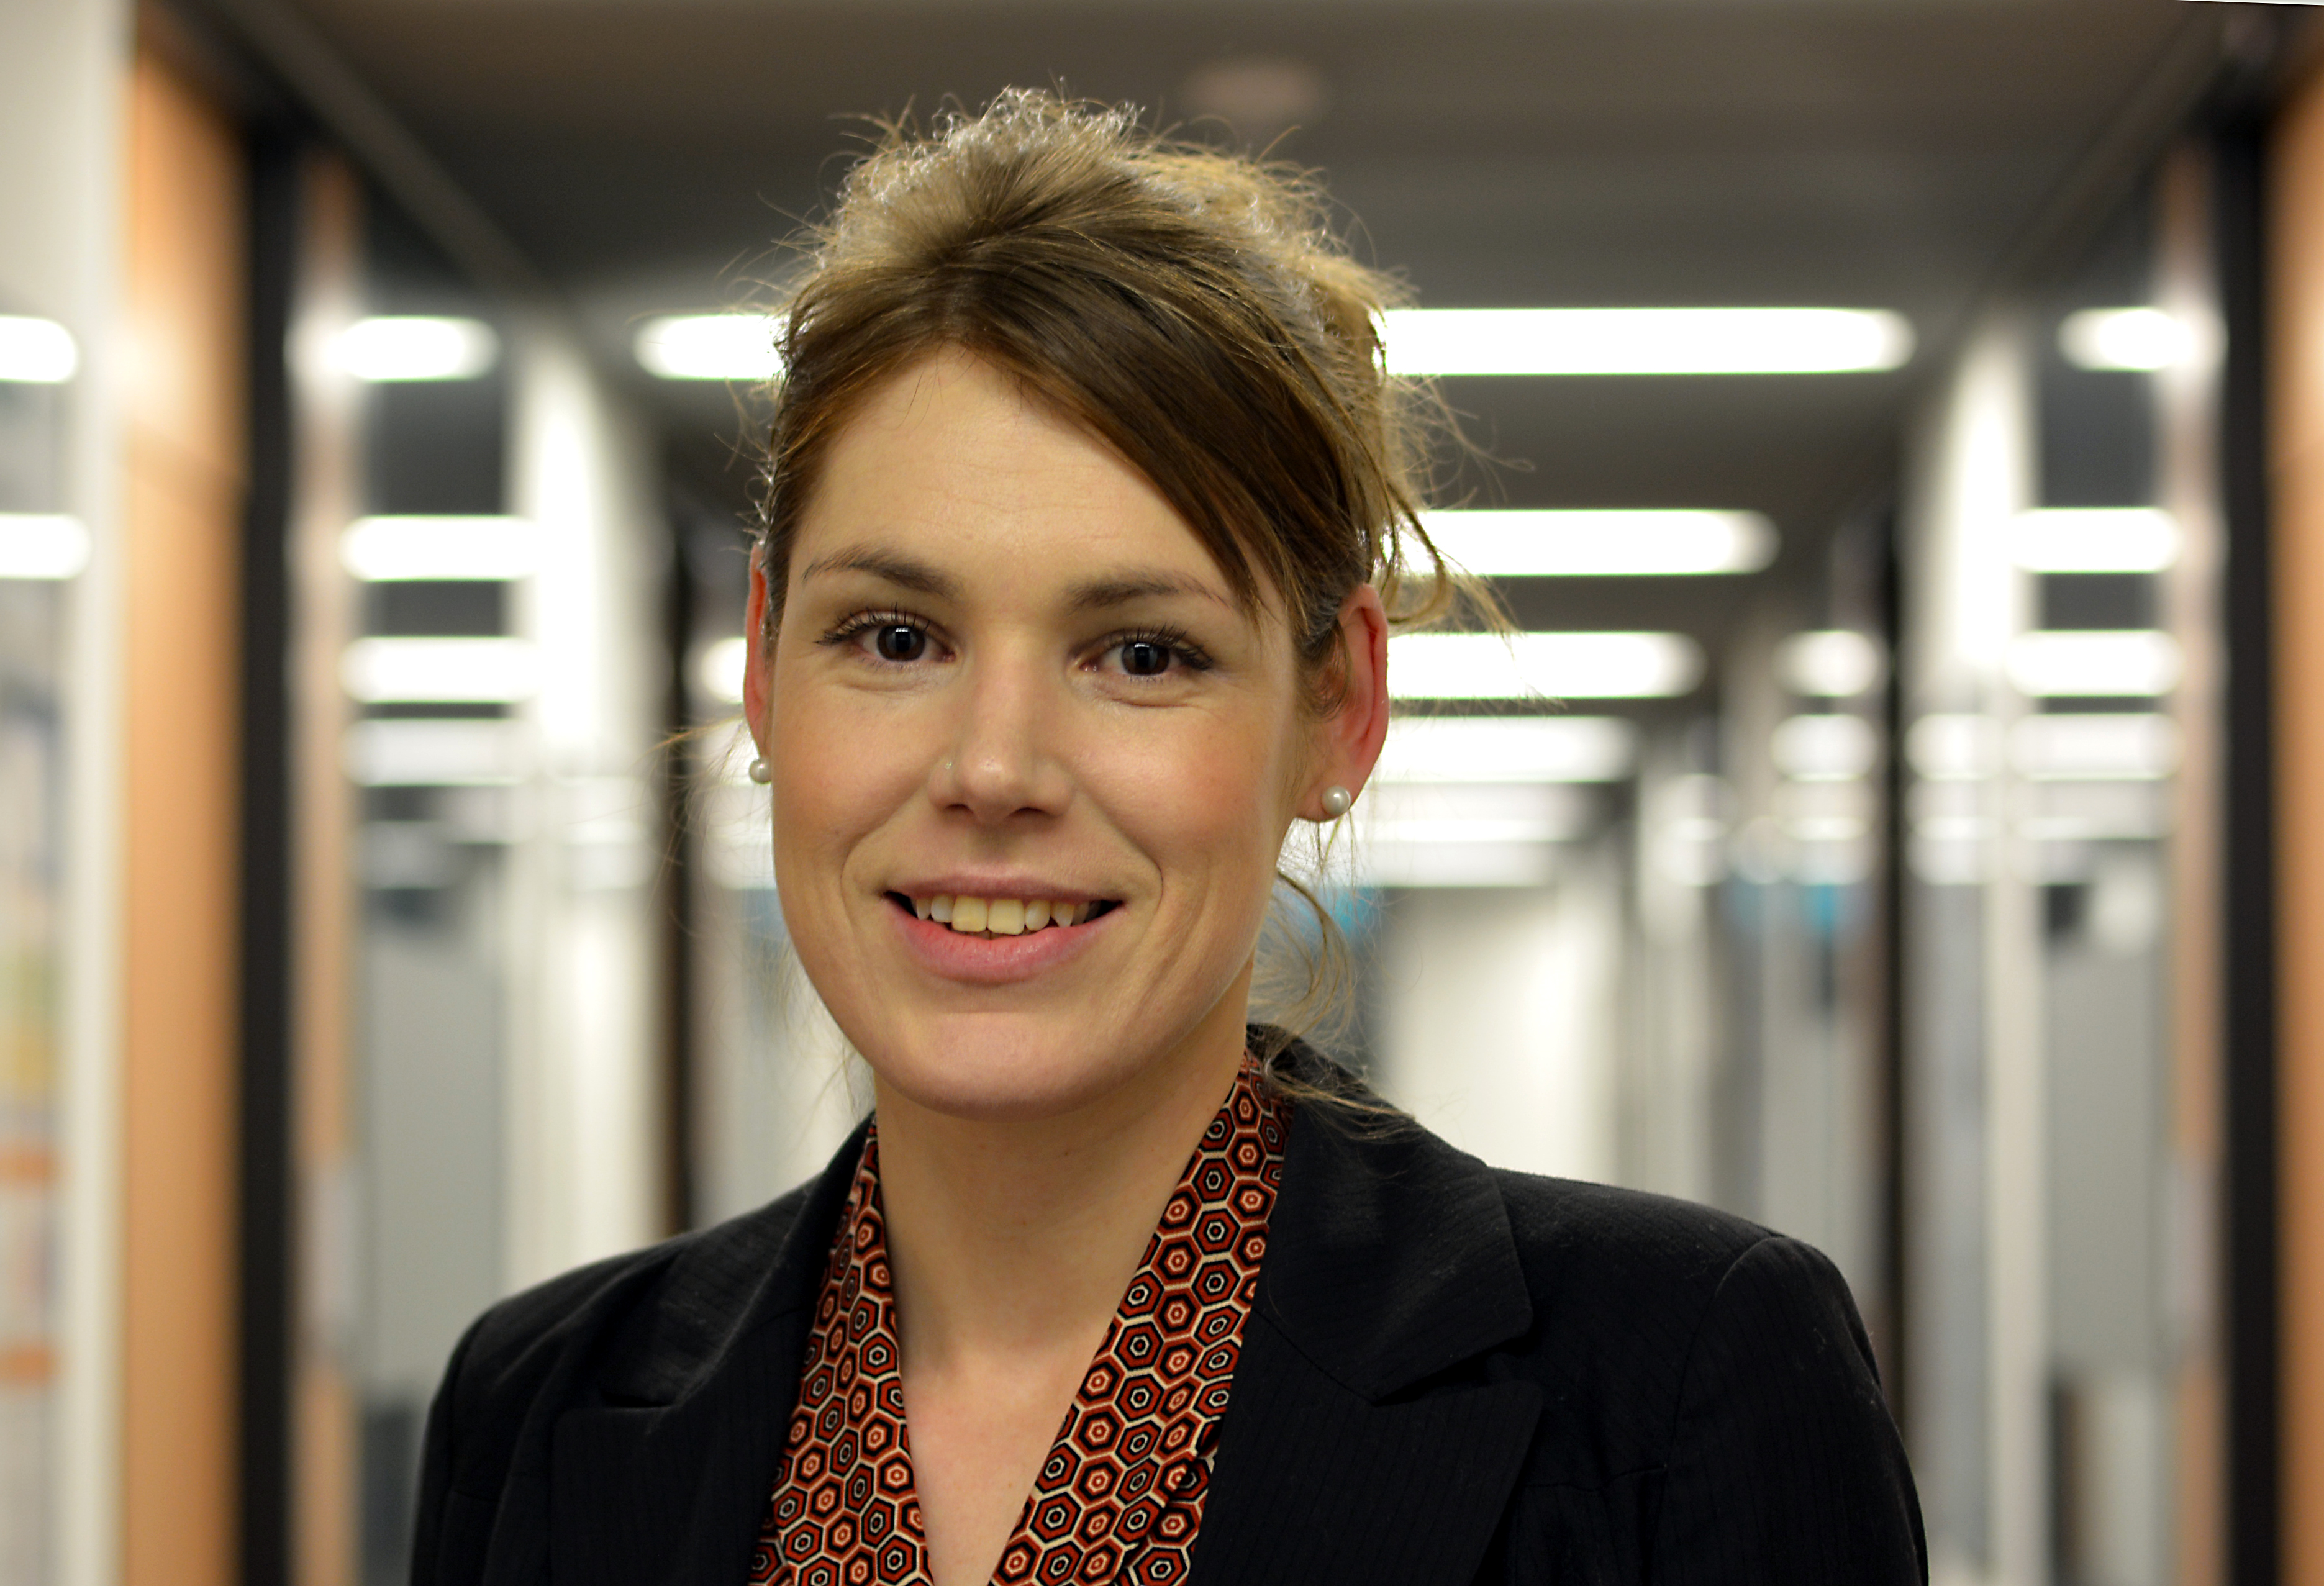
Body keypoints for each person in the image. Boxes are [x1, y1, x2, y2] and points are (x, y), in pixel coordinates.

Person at [409, 91, 1925, 1585]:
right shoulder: (536, 1405)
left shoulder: (1679, 1382)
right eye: (893, 636)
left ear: (1334, 709)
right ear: (760, 665)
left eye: (1141, 653)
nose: (992, 767)